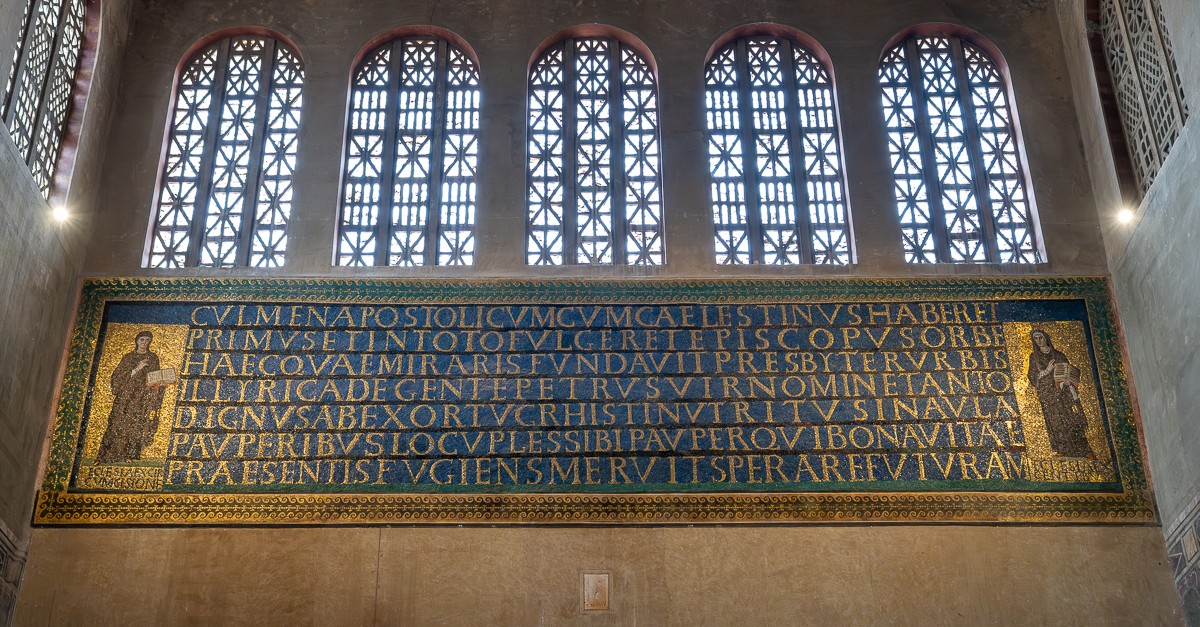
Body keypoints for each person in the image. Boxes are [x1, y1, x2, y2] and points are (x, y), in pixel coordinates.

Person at [96, 331, 166, 463]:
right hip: (125, 397)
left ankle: (129, 455)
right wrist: (137, 369)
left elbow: (155, 377)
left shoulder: (153, 358)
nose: (144, 343)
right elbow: (117, 378)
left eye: (147, 340)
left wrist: (160, 384)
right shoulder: (128, 357)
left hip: (142, 398)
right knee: (117, 423)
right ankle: (105, 455)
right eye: (142, 340)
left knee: (136, 425)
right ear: (136, 341)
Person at [1026, 329, 1095, 458]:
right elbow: (1032, 376)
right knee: (1055, 421)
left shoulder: (1058, 355)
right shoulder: (1034, 357)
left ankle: (1085, 450)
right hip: (1048, 394)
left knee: (1071, 419)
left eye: (1041, 337)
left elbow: (1069, 370)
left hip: (1063, 392)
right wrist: (1047, 371)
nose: (1039, 340)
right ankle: (1062, 449)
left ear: (1046, 338)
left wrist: (1070, 381)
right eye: (1036, 338)